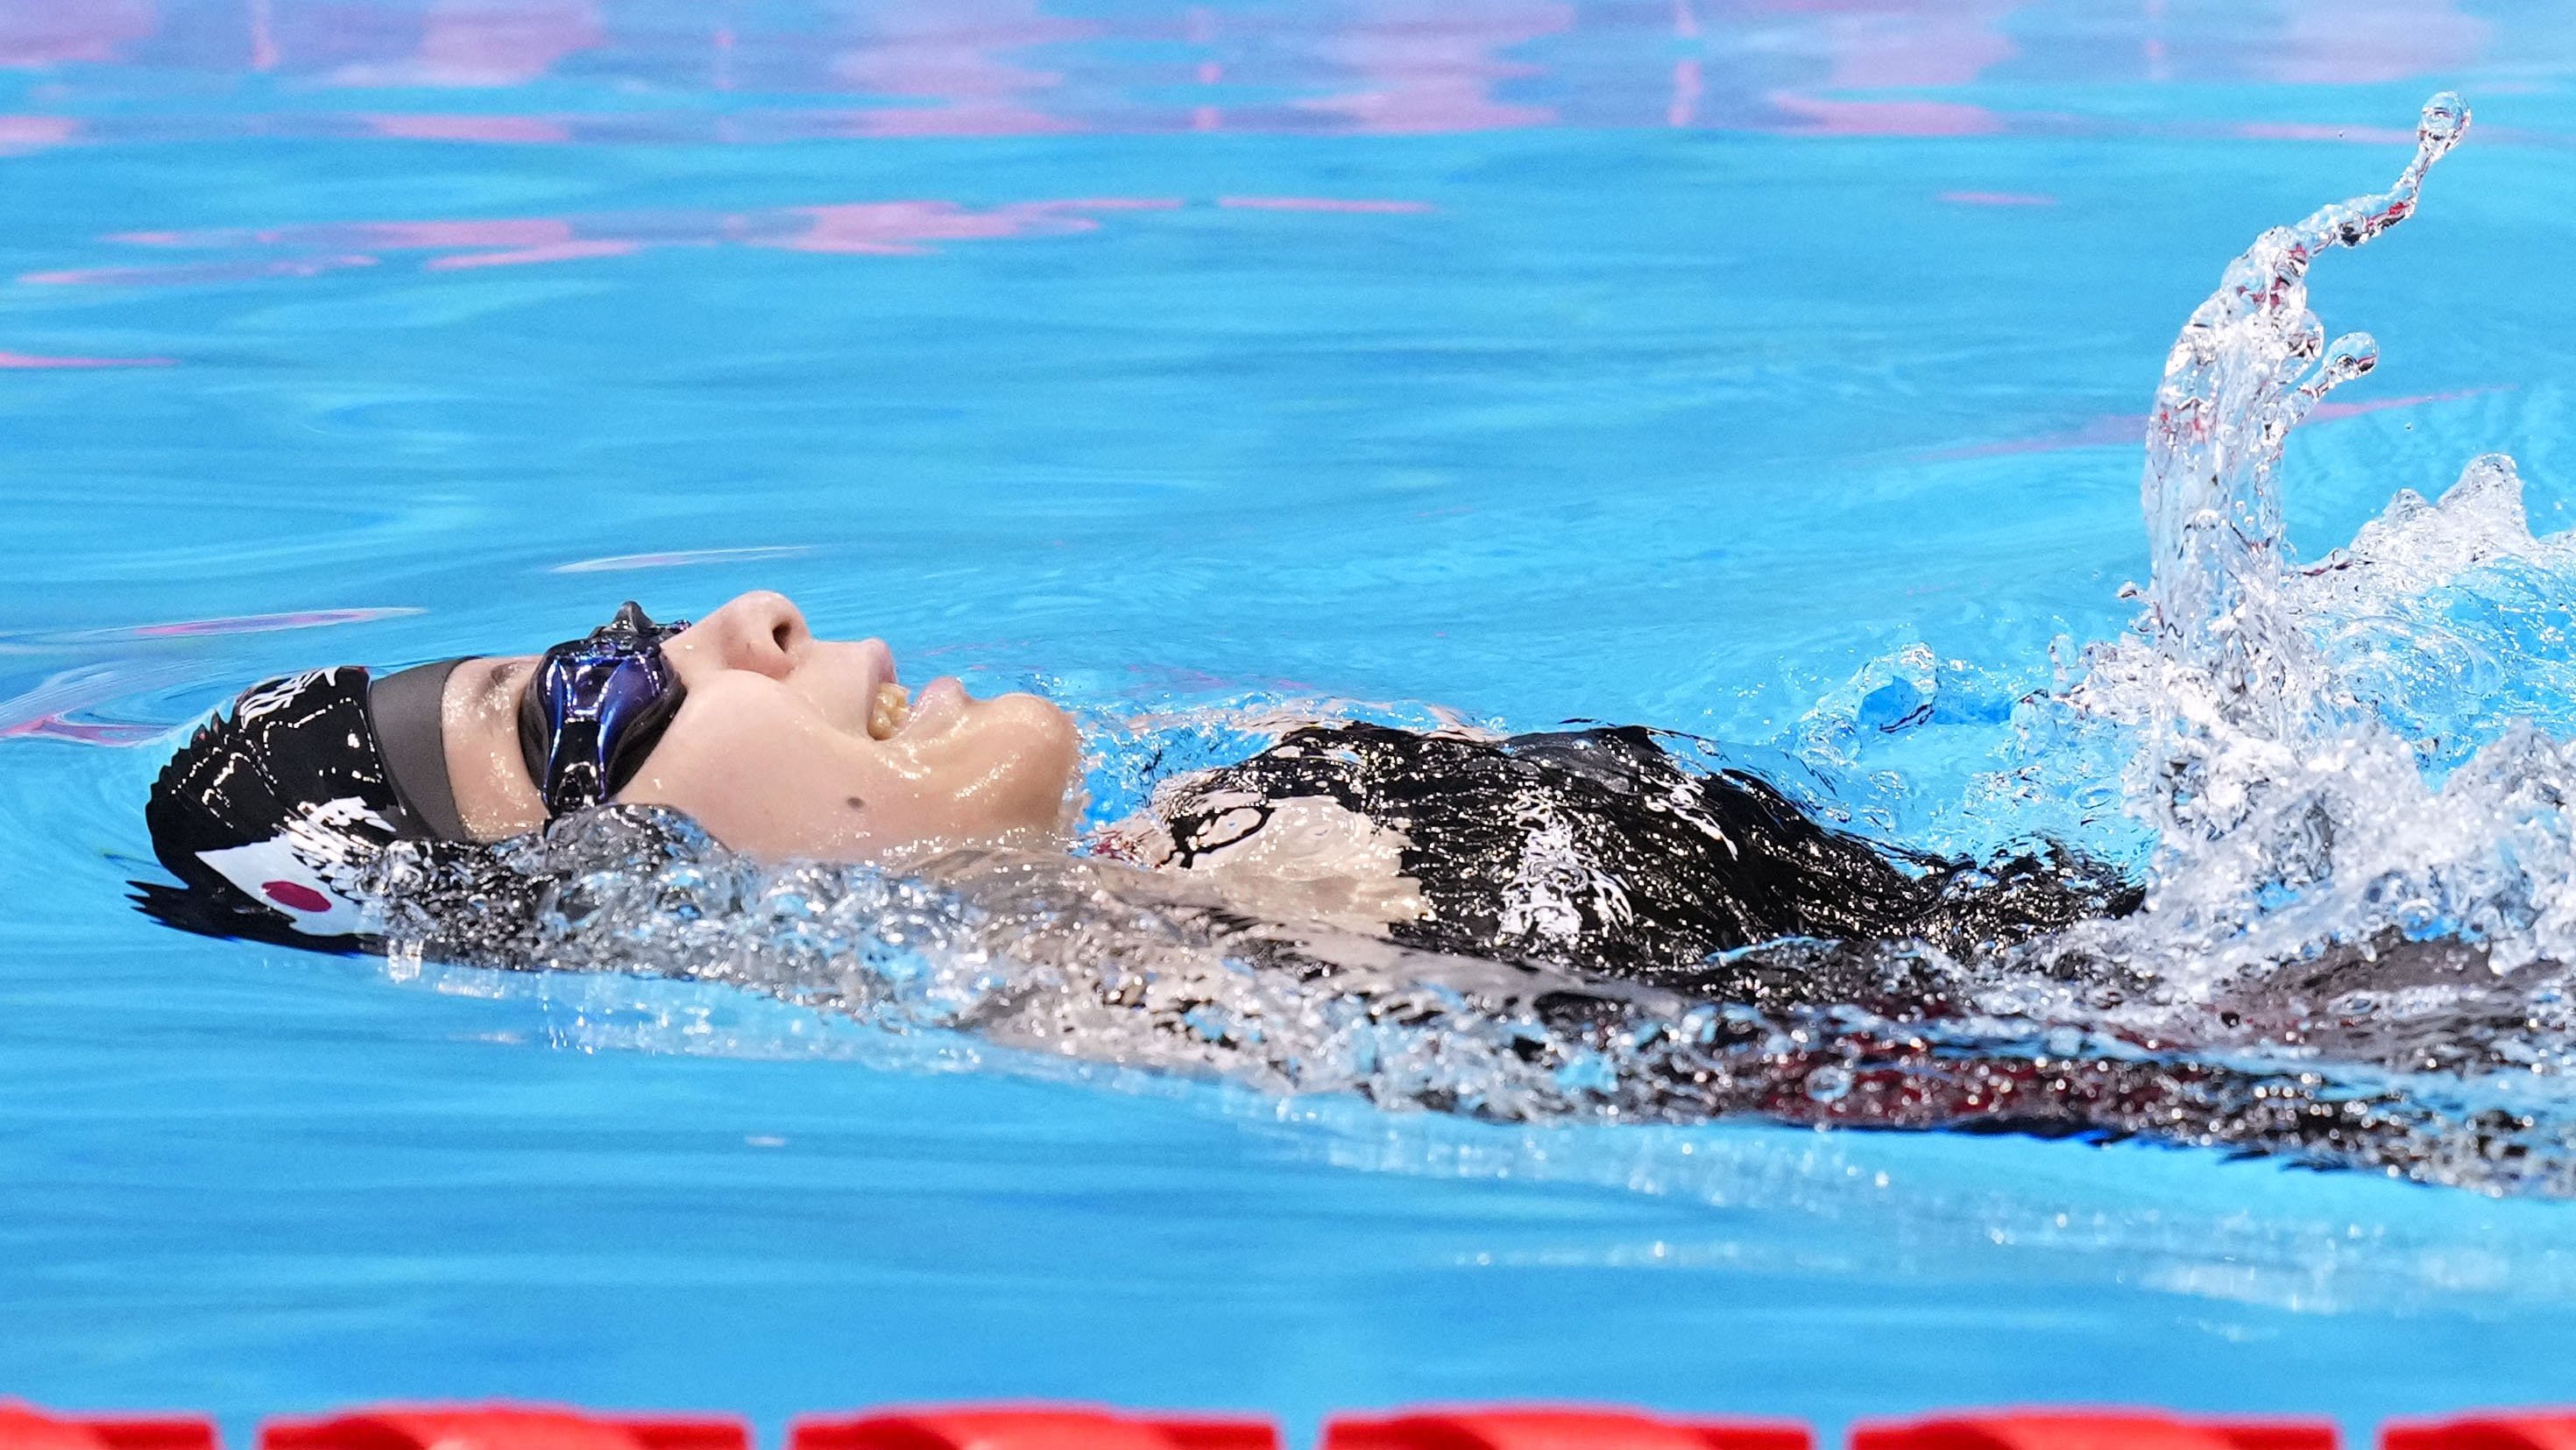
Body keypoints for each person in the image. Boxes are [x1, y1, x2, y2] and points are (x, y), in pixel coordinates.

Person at [140, 588, 2132, 974]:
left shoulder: (1191, 876)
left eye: (629, 618)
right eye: (585, 698)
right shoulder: (1170, 1000)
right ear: (590, 884)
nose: (744, 614)